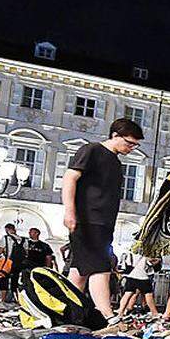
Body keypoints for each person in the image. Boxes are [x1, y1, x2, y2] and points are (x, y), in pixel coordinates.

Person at [63, 119, 143, 319]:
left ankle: (67, 312)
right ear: (115, 135)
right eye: (129, 143)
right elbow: (69, 178)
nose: (132, 148)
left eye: (135, 145)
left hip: (103, 221)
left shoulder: (115, 161)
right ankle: (107, 314)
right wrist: (69, 211)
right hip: (88, 219)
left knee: (79, 271)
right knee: (100, 267)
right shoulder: (91, 150)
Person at [118, 252, 160, 317]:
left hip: (132, 275)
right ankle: (154, 313)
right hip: (142, 276)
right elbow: (149, 262)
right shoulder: (146, 252)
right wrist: (157, 260)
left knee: (127, 294)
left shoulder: (132, 252)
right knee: (148, 295)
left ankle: (120, 312)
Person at [0, 224, 27, 301]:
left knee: (3, 280)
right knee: (15, 282)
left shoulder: (5, 238)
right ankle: (17, 300)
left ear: (7, 229)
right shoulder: (24, 240)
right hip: (18, 264)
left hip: (7, 263)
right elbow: (26, 253)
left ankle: (2, 299)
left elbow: (0, 251)